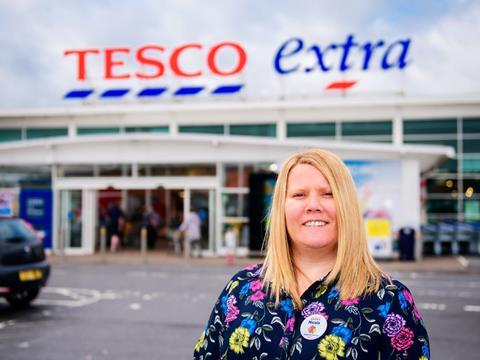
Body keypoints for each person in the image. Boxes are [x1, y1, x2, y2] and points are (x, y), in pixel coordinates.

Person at [193, 149, 430, 359]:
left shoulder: (389, 301)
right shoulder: (238, 291)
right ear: (281, 208)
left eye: (328, 194)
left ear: (347, 206)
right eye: (299, 195)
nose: (313, 205)